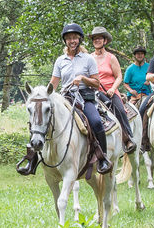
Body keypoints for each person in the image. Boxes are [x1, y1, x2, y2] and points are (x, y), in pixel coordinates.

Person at [16, 23, 112, 175]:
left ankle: (103, 158)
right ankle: (32, 160)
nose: (72, 41)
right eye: (68, 38)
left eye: (74, 38)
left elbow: (96, 83)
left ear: (79, 39)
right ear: (65, 41)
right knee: (40, 120)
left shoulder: (88, 59)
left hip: (84, 97)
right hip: (65, 97)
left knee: (96, 122)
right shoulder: (60, 60)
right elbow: (53, 83)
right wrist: (41, 94)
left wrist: (82, 78)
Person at [88, 26, 135, 153]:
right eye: (94, 38)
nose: (97, 41)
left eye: (99, 38)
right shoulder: (88, 57)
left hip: (109, 91)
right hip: (93, 91)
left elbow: (119, 76)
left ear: (105, 41)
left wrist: (113, 89)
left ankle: (128, 138)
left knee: (120, 110)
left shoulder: (111, 57)